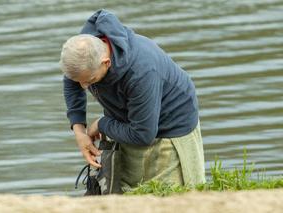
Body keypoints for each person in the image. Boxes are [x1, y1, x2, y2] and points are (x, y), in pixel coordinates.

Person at [60, 9, 205, 193]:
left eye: (89, 81)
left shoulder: (141, 72)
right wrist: (79, 131)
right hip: (129, 119)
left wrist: (103, 124)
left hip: (171, 125)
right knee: (123, 192)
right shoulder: (85, 48)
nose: (83, 86)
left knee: (169, 196)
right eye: (78, 80)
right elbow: (72, 80)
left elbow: (143, 135)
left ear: (106, 62)